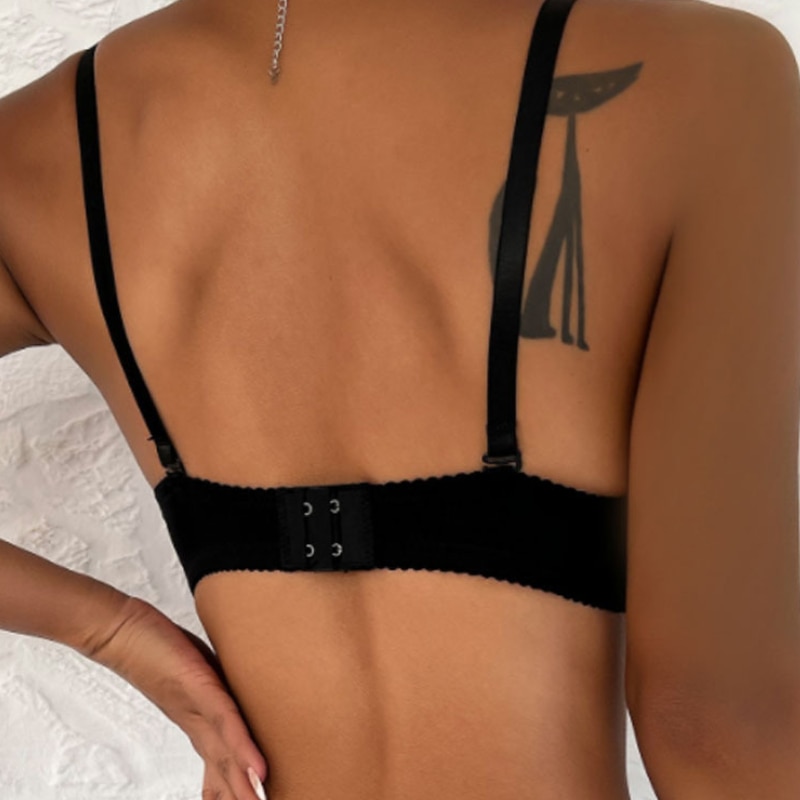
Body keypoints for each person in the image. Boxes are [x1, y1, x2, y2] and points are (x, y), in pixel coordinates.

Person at [0, 0, 799, 798]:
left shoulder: (45, 143)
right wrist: (110, 630)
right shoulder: (704, 77)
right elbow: (713, 722)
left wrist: (113, 633)